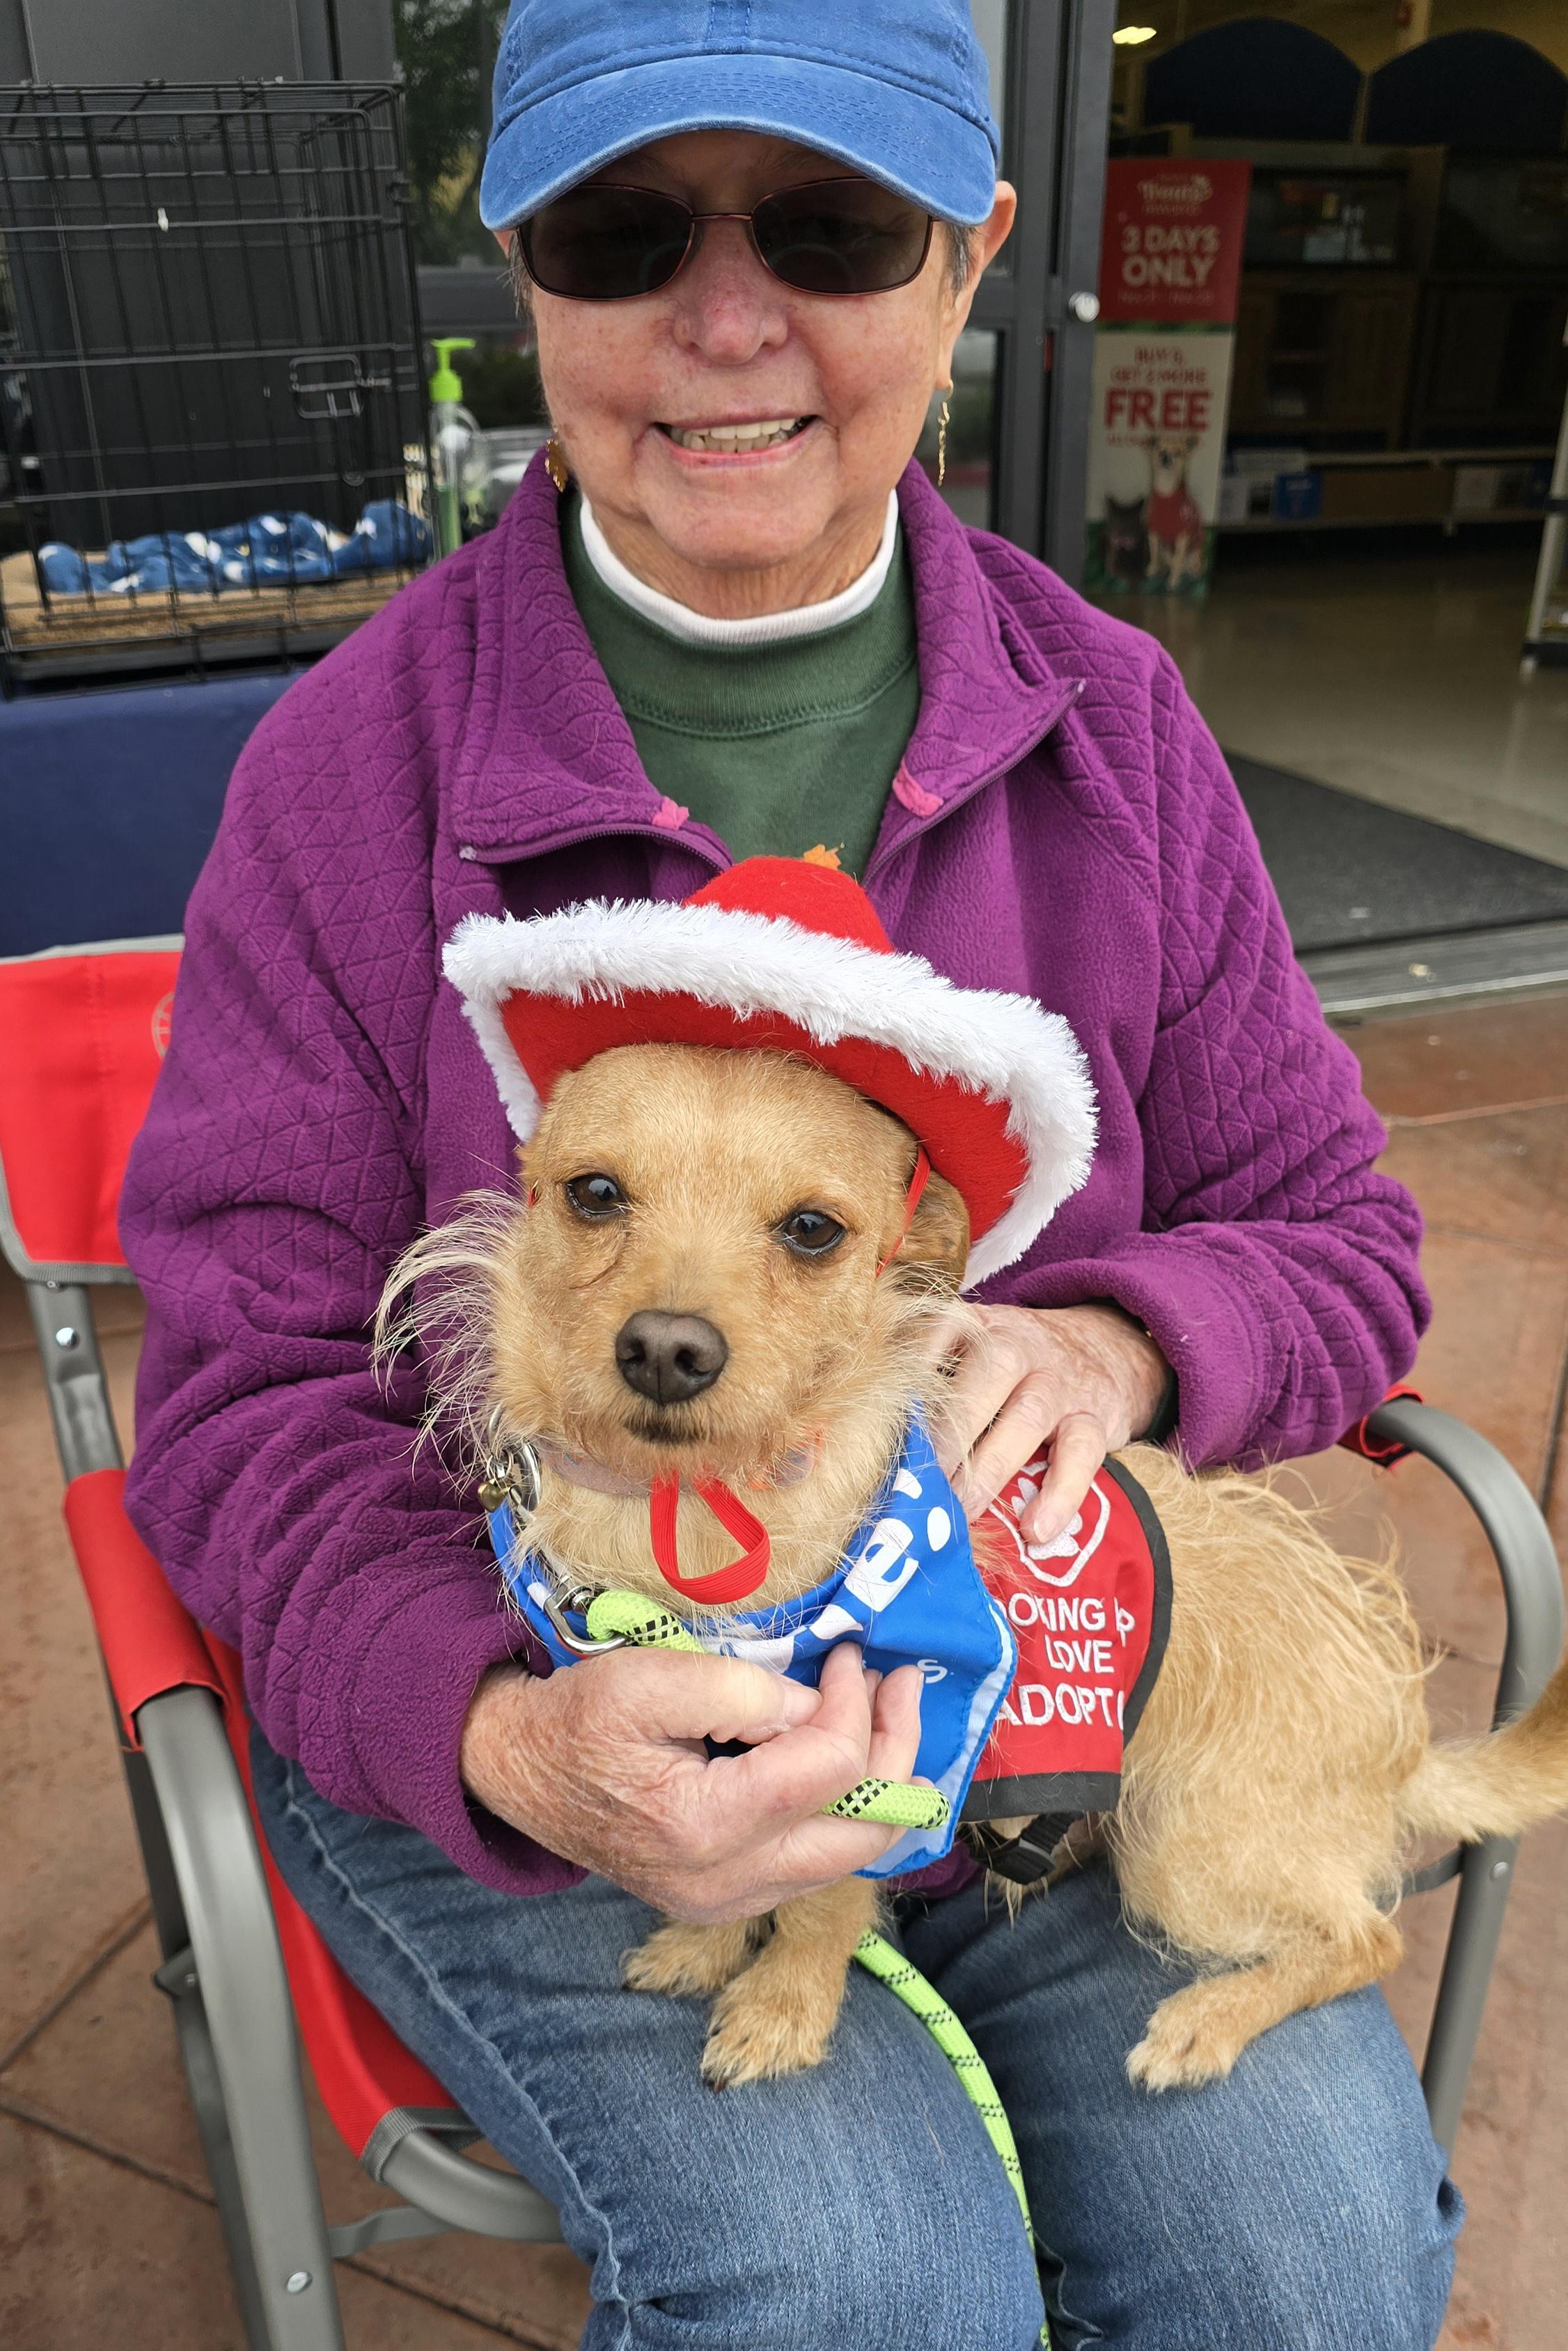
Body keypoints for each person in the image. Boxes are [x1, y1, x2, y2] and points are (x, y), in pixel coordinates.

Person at [120, 4, 1458, 2343]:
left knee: (1310, 2263)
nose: (725, 322)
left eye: (831, 229)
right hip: (546, 1684)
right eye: (626, 230)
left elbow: (1334, 1233)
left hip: (1033, 1686)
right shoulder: (355, 771)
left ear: (968, 267)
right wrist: (495, 1731)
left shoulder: (1111, 728)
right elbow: (236, 1400)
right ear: (520, 273)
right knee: (857, 2283)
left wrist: (1140, 1334)